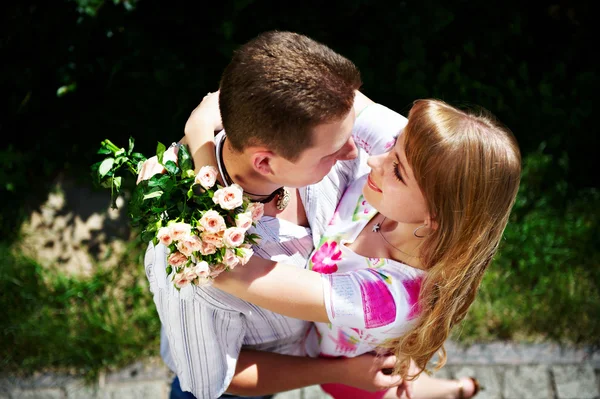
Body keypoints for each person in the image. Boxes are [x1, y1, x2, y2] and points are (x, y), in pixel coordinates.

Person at [188, 97, 521, 398]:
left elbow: (224, 268)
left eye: (397, 170)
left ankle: (453, 389)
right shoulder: (415, 161)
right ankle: (459, 387)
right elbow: (326, 94)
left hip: (354, 375)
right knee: (406, 374)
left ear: (435, 215)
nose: (375, 159)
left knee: (398, 390)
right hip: (358, 341)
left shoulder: (385, 298)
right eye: (394, 146)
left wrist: (199, 131)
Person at [139, 31, 410, 398]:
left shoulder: (313, 142)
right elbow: (220, 380)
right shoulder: (192, 262)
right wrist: (342, 372)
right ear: (265, 162)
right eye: (331, 151)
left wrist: (198, 129)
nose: (353, 152)